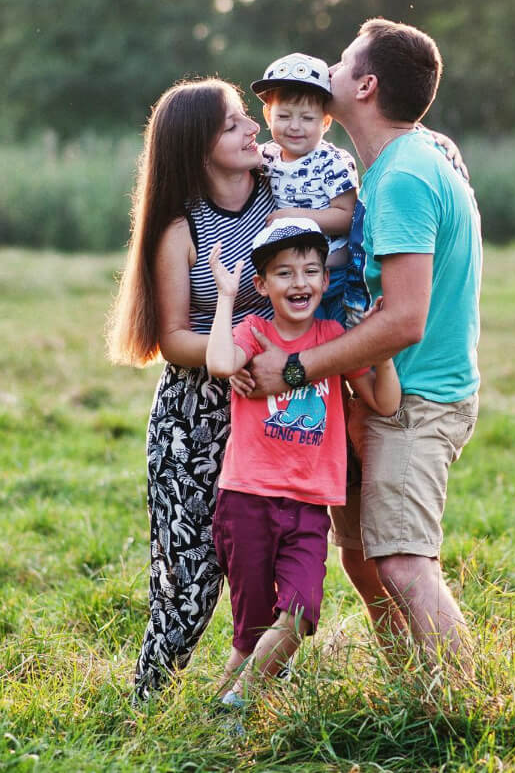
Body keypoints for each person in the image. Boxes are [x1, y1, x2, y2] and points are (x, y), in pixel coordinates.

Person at [244, 18, 483, 676]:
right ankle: (411, 687)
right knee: (360, 553)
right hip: (372, 394)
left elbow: (405, 319)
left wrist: (293, 369)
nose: (331, 69)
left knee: (402, 560)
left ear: (367, 86)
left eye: (344, 62)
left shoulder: (404, 176)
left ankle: (470, 704)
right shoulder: (392, 164)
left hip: (418, 397)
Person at [105, 77, 275, 700]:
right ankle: (146, 706)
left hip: (272, 413)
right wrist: (234, 357)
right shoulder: (182, 230)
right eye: (234, 125)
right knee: (190, 581)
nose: (254, 127)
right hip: (194, 420)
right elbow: (172, 337)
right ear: (198, 149)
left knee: (275, 571)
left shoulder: (281, 200)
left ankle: (246, 704)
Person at [204, 218, 399, 705]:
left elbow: (386, 402)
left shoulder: (333, 339)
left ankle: (237, 700)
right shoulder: (253, 331)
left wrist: (384, 345)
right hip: (247, 499)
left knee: (301, 611)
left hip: (310, 506)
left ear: (325, 281)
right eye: (285, 273)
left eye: (311, 271)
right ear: (262, 284)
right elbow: (220, 364)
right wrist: (225, 297)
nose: (300, 283)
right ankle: (223, 723)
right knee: (249, 635)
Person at [250, 53, 364, 326]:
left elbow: (347, 217)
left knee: (336, 337)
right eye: (284, 116)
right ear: (268, 115)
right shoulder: (265, 157)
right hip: (291, 277)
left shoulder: (332, 161)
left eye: (307, 118)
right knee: (300, 338)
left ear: (325, 122)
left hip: (333, 275)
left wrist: (293, 218)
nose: (294, 126)